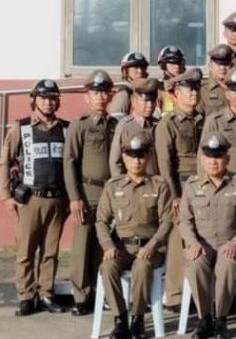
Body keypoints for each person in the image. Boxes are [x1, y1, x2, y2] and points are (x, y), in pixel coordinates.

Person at [180, 133, 236, 339]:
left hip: (232, 244)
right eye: (209, 156)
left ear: (227, 158)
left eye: (218, 156)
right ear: (202, 159)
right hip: (202, 245)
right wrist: (192, 243)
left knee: (227, 264)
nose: (213, 161)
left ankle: (221, 319)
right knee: (195, 264)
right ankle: (204, 318)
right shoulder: (192, 185)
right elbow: (185, 220)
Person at [1, 79, 70, 316]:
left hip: (57, 199)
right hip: (30, 199)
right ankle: (26, 296)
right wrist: (6, 196)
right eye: (43, 98)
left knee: (50, 251)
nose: (48, 102)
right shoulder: (21, 127)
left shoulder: (66, 128)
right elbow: (5, 161)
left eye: (52, 98)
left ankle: (46, 294)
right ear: (34, 100)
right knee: (26, 250)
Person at [96, 134, 173, 339]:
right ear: (124, 157)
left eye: (141, 155)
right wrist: (108, 246)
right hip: (122, 247)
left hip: (150, 248)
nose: (136, 160)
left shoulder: (159, 185)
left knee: (142, 266)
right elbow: (101, 221)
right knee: (107, 267)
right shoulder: (113, 186)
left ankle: (138, 318)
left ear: (148, 157)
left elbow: (167, 221)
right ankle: (120, 318)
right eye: (132, 155)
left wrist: (152, 246)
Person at [65, 70, 118, 316]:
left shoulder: (115, 125)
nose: (100, 97)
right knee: (82, 245)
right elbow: (69, 162)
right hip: (87, 192)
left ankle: (101, 293)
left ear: (110, 95)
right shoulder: (80, 124)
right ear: (87, 96)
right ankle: (81, 296)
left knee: (104, 244)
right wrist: (75, 197)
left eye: (104, 92)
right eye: (95, 92)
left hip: (110, 192)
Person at [155, 67, 205, 310]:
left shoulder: (203, 120)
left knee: (200, 235)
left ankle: (197, 293)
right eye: (188, 89)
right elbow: (164, 163)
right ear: (175, 94)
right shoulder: (168, 123)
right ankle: (174, 294)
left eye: (195, 88)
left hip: (201, 184)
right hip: (180, 184)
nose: (193, 93)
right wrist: (173, 195)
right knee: (178, 239)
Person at [108, 78, 161, 177]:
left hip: (156, 183)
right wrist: (120, 184)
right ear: (133, 101)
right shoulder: (125, 126)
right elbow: (115, 161)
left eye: (153, 100)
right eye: (145, 100)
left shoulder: (159, 125)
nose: (150, 105)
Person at [110, 52, 150, 118]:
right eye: (136, 67)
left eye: (142, 67)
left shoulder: (145, 91)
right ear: (125, 71)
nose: (140, 71)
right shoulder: (123, 94)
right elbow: (116, 121)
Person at [200, 45, 233, 117]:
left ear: (232, 66)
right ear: (210, 66)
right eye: (219, 64)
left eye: (226, 64)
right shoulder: (202, 90)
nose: (222, 68)